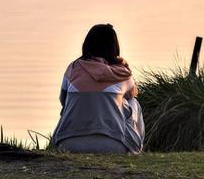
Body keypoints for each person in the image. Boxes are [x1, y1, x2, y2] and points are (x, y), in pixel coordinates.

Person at [52, 24, 145, 154]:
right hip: (114, 146)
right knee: (133, 103)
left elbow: (63, 100)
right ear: (114, 47)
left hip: (68, 144)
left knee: (69, 104)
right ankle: (136, 149)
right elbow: (133, 93)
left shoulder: (72, 69)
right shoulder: (122, 74)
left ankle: (62, 136)